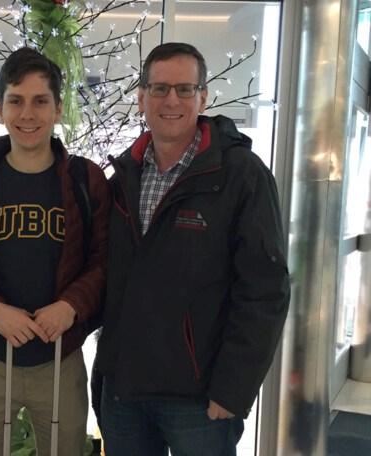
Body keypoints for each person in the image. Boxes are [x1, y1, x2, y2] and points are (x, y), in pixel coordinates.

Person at [95, 42, 290, 456]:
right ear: (142, 97)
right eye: (160, 88)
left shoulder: (240, 175)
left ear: (203, 97)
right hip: (123, 391)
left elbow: (264, 290)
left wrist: (233, 390)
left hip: (199, 400)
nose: (172, 100)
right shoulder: (122, 178)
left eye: (185, 89)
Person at [0, 47, 110, 455]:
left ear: (57, 109)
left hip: (60, 358)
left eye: (40, 101)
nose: (28, 114)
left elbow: (104, 262)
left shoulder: (85, 179)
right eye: (15, 101)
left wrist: (71, 304)